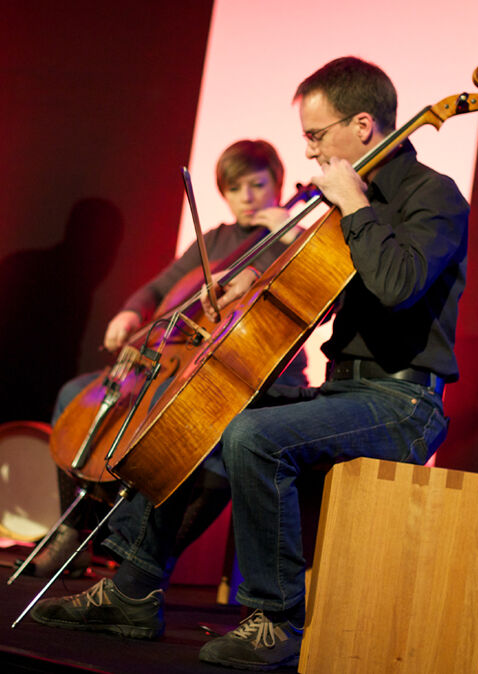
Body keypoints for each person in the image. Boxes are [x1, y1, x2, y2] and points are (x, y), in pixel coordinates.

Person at [30, 56, 468, 672]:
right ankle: (132, 587)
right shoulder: (346, 205)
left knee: (254, 436)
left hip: (403, 404)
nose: (311, 152)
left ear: (364, 125)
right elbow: (324, 292)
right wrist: (255, 285)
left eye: (317, 136)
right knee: (204, 410)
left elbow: (397, 284)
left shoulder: (434, 197)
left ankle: (275, 619)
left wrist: (355, 207)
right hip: (343, 394)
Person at [32, 139, 309, 577]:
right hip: (188, 365)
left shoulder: (295, 238)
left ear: (277, 182)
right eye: (236, 189)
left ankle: (149, 561)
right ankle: (72, 530)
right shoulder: (215, 238)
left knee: (214, 446)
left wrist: (291, 231)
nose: (248, 197)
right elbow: (160, 290)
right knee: (75, 394)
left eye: (258, 185)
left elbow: (308, 285)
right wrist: (129, 312)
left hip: (253, 372)